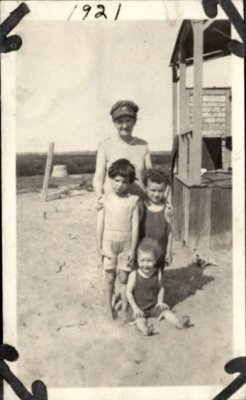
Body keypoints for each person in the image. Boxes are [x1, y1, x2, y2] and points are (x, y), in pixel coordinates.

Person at [97, 159, 139, 322]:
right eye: (117, 180)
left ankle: (124, 309)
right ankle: (108, 309)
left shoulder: (133, 200)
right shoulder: (104, 199)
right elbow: (99, 224)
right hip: (108, 242)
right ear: (110, 178)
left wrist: (133, 250)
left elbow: (135, 227)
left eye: (124, 181)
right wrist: (98, 246)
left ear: (129, 182)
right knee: (109, 277)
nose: (120, 185)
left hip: (127, 243)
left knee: (123, 278)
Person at [126, 238, 190, 336]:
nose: (146, 264)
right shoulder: (134, 274)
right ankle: (145, 330)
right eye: (142, 261)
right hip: (139, 306)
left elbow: (161, 288)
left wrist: (160, 301)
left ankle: (178, 323)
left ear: (155, 260)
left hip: (153, 305)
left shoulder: (158, 272)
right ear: (137, 260)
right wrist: (135, 308)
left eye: (149, 261)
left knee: (165, 311)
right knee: (139, 319)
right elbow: (128, 292)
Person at [93, 100, 152, 204]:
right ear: (114, 123)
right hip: (113, 205)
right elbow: (98, 177)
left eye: (128, 120)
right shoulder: (105, 146)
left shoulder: (143, 146)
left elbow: (151, 177)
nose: (124, 126)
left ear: (135, 122)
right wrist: (99, 196)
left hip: (139, 204)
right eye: (120, 121)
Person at [139, 168, 173, 274]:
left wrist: (169, 251)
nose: (157, 194)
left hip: (160, 252)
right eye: (153, 190)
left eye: (160, 191)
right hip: (143, 254)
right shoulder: (141, 206)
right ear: (145, 188)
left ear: (166, 189)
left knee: (157, 278)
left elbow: (170, 232)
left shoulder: (167, 209)